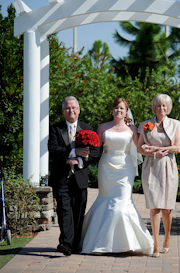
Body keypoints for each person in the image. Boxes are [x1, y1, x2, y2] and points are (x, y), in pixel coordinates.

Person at [80, 97, 154, 255]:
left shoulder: (132, 129)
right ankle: (100, 242)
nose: (119, 111)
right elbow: (95, 148)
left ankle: (125, 242)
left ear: (126, 111)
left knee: (122, 202)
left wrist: (153, 151)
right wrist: (82, 146)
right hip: (106, 166)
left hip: (125, 168)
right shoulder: (103, 127)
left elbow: (139, 148)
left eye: (122, 108)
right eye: (116, 108)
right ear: (112, 110)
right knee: (105, 200)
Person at [48, 96, 99, 256]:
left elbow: (96, 152)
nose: (71, 111)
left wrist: (81, 158)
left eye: (74, 108)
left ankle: (75, 245)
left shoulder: (88, 129)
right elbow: (53, 149)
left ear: (79, 110)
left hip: (80, 178)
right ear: (63, 111)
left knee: (78, 211)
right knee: (64, 210)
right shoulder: (55, 129)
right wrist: (72, 151)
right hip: (61, 177)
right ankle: (65, 243)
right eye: (68, 108)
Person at [137, 94, 180, 258]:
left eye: (164, 106)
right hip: (151, 167)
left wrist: (163, 149)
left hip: (168, 167)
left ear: (168, 107)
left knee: (166, 206)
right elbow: (139, 148)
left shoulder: (175, 124)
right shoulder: (145, 125)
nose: (161, 108)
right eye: (158, 105)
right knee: (154, 205)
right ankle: (156, 244)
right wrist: (148, 150)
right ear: (154, 107)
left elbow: (177, 147)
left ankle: (167, 238)